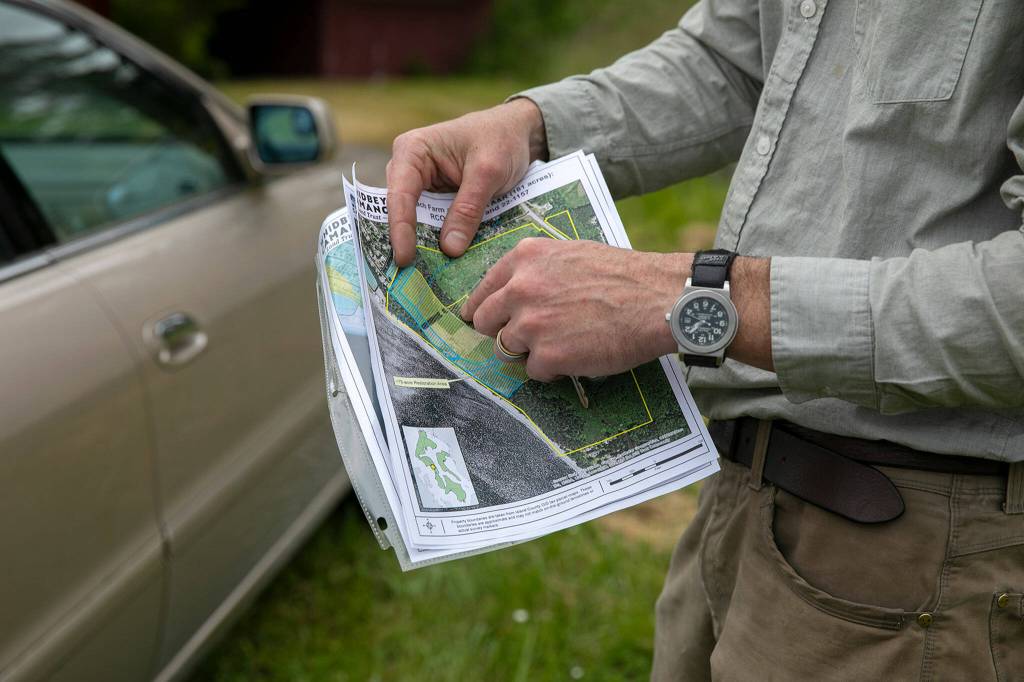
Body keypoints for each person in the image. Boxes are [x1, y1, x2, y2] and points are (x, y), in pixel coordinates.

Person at [385, 1, 1024, 679]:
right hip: (737, 501)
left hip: (920, 560)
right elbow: (731, 58)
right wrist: (531, 126)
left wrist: (687, 299)